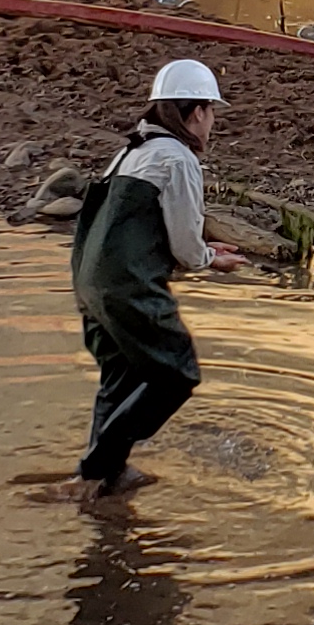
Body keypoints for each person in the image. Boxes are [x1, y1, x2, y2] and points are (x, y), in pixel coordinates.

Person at [67, 58, 242, 500]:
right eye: (212, 112)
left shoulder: (132, 150)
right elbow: (184, 244)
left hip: (90, 279)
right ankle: (95, 469)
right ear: (196, 111)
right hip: (126, 285)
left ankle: (108, 478)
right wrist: (208, 259)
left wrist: (201, 252)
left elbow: (142, 226)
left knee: (119, 377)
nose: (213, 122)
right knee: (175, 372)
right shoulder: (178, 158)